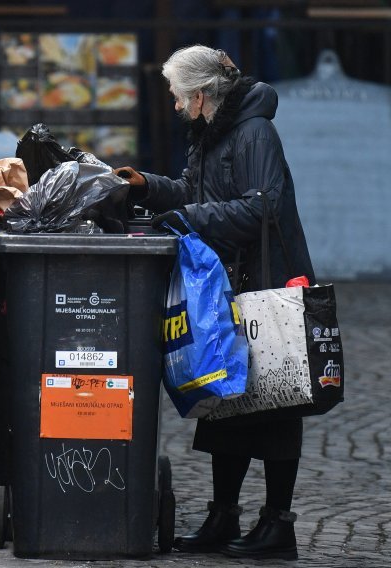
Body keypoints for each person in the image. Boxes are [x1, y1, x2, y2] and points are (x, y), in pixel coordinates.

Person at [115, 45, 315, 560]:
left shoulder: (253, 132)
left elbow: (263, 208)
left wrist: (187, 219)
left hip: (271, 284)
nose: (176, 106)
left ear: (201, 95)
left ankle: (279, 526)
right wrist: (147, 186)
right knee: (228, 403)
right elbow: (190, 191)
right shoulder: (212, 134)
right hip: (235, 284)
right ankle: (223, 516)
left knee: (275, 403)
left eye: (179, 96)